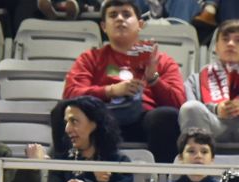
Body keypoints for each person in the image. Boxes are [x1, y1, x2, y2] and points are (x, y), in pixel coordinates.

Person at [61, 0, 185, 162]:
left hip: (144, 121)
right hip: (100, 120)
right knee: (61, 111)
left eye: (126, 15)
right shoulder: (90, 58)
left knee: (165, 116)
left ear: (140, 24)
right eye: (113, 15)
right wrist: (110, 91)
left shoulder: (161, 60)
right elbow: (71, 94)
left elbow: (179, 103)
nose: (120, 19)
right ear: (104, 26)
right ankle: (62, 179)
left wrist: (153, 79)